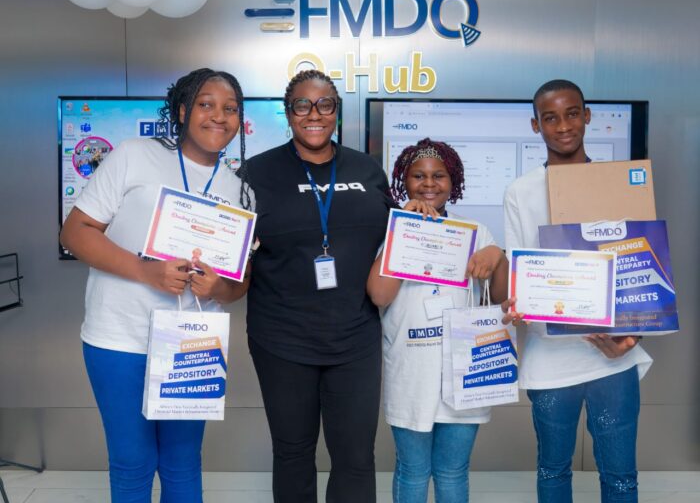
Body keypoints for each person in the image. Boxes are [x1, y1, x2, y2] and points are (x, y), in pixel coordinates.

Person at [60, 68, 252, 503]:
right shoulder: (134, 155)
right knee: (132, 462)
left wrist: (216, 288)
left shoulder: (240, 191)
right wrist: (147, 272)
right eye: (206, 104)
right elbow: (75, 232)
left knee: (183, 464)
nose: (218, 116)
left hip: (193, 344)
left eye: (230, 108)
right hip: (119, 338)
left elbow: (238, 285)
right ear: (183, 110)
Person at [245, 69, 393, 503]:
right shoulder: (257, 173)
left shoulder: (366, 170)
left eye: (325, 104)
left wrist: (425, 223)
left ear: (337, 113)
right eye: (302, 105)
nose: (315, 114)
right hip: (282, 339)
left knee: (355, 457)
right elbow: (236, 251)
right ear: (288, 113)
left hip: (355, 338)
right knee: (292, 452)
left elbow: (395, 239)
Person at [502, 79, 653, 503]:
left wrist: (631, 337)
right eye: (550, 117)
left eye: (572, 113)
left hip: (613, 361)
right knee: (552, 471)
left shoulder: (620, 182)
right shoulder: (520, 192)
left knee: (621, 476)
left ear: (587, 116)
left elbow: (642, 266)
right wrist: (518, 303)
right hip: (551, 359)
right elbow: (519, 270)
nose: (563, 125)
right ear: (536, 125)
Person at [366, 138, 509, 503]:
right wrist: (406, 229)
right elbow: (379, 295)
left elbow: (502, 294)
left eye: (438, 175)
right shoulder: (391, 230)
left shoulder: (476, 231)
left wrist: (497, 255)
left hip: (465, 369)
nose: (429, 184)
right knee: (413, 471)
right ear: (405, 181)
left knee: (452, 471)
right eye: (419, 176)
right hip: (412, 369)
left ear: (453, 180)